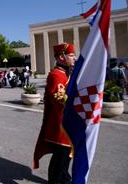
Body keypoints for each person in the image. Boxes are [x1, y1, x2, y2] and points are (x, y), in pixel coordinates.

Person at [33, 43, 77, 184]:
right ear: (62, 57)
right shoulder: (56, 75)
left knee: (64, 161)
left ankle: (65, 180)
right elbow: (59, 98)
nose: (74, 58)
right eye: (71, 55)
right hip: (61, 126)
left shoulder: (65, 73)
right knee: (60, 161)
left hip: (67, 125)